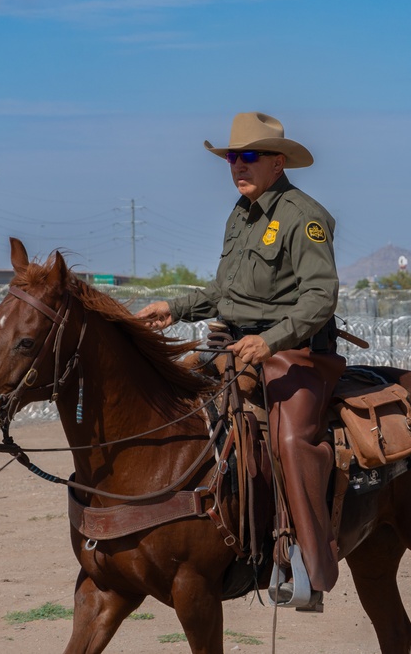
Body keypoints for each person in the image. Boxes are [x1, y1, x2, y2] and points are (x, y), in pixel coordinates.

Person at [135, 112, 344, 609]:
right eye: (232, 157)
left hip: (296, 353)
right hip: (235, 348)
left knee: (290, 441)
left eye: (249, 156)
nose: (238, 166)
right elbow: (226, 295)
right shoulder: (241, 213)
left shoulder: (303, 216)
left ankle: (305, 565)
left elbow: (321, 297)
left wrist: (271, 341)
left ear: (277, 161)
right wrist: (176, 308)